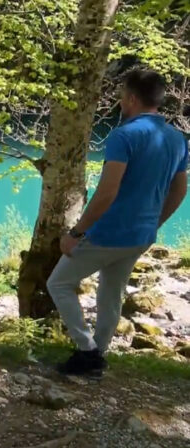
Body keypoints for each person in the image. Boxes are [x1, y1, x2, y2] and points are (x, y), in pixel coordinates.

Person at [47, 69, 188, 378]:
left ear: (132, 99)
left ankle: (87, 351)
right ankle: (98, 355)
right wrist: (156, 222)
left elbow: (107, 191)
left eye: (123, 97)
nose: (121, 103)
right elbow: (180, 190)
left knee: (58, 283)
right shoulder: (177, 139)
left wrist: (76, 232)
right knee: (111, 293)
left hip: (108, 233)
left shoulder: (123, 135)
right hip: (141, 235)